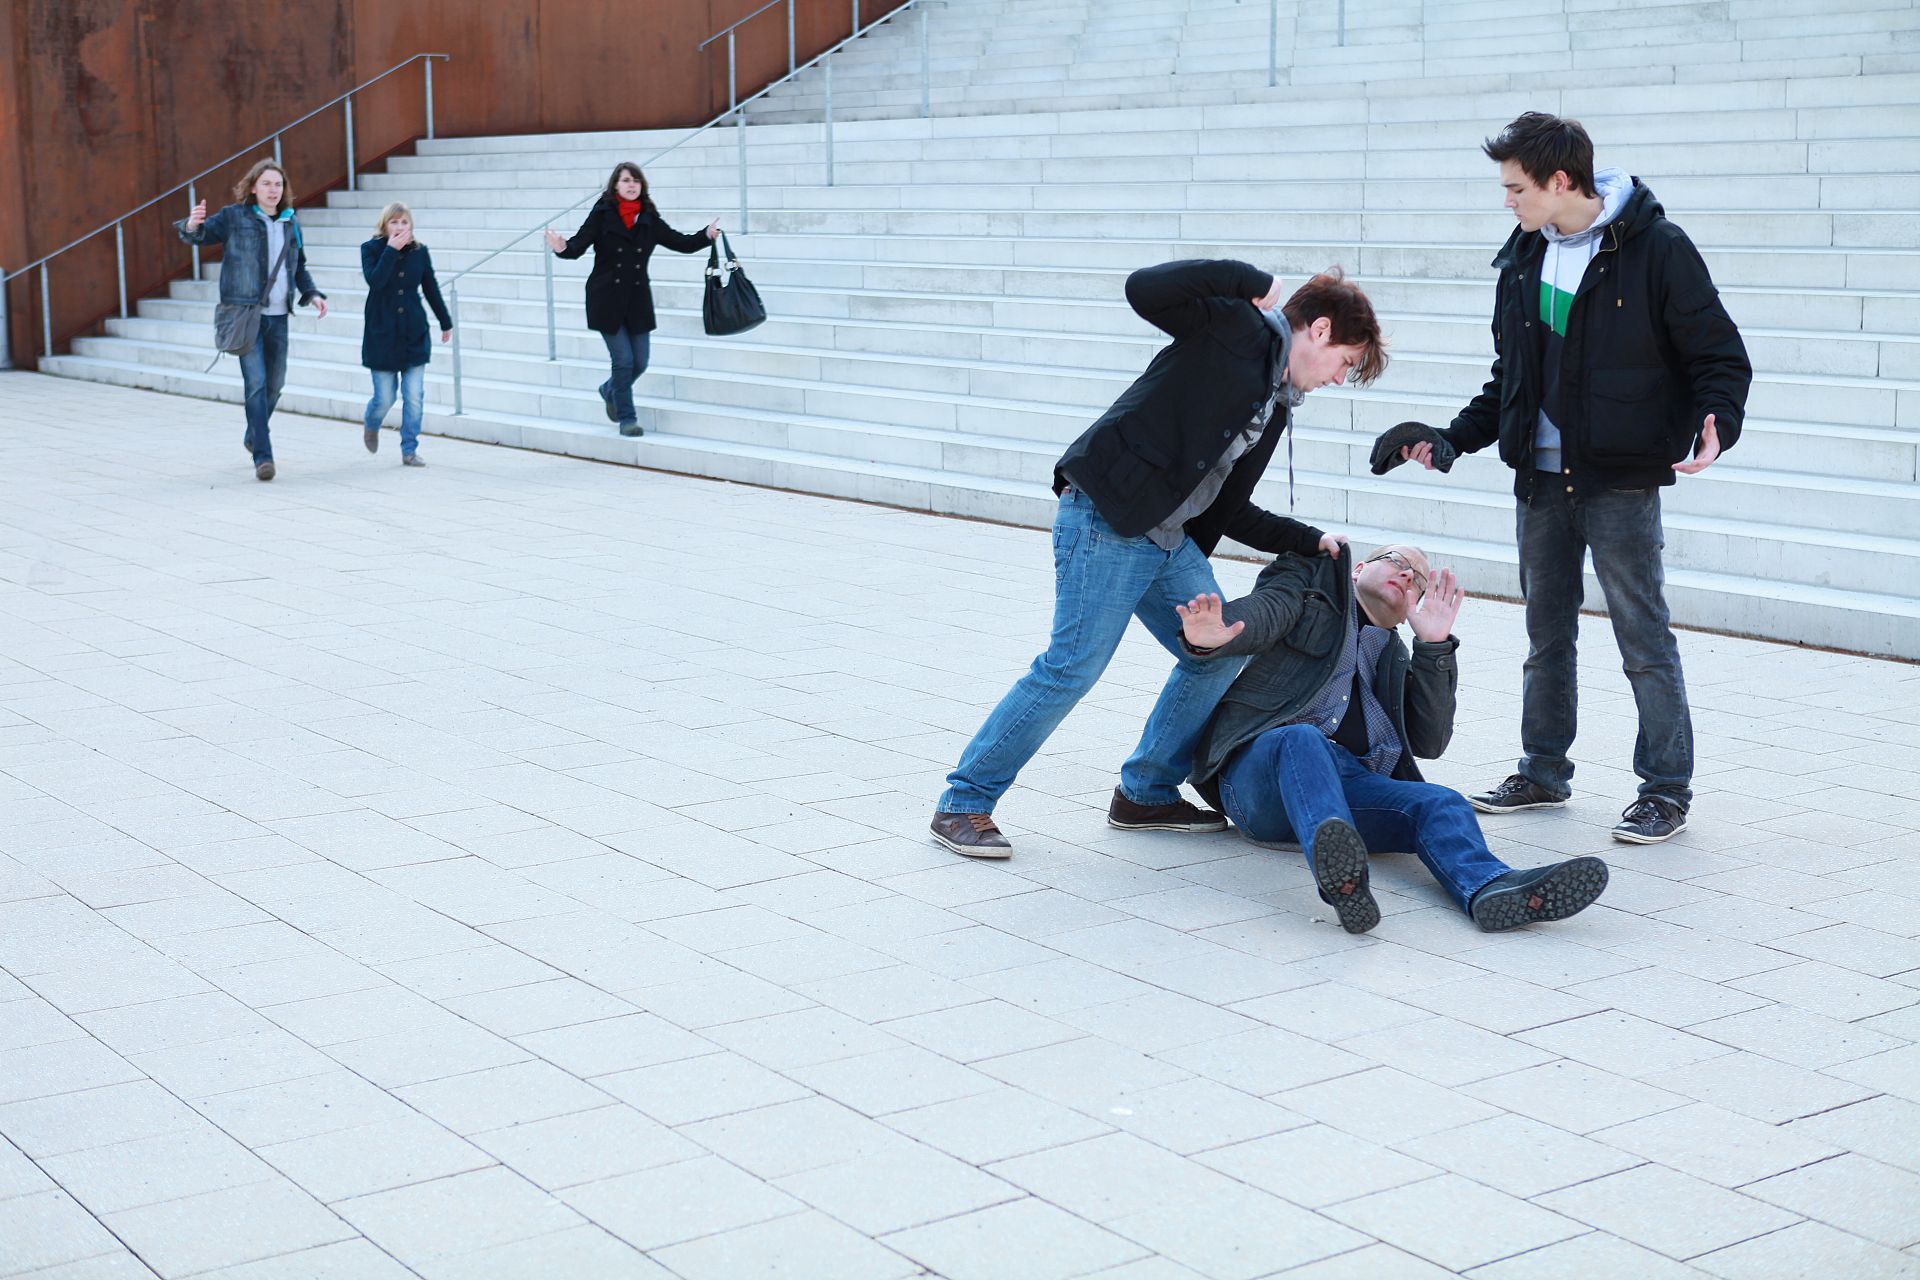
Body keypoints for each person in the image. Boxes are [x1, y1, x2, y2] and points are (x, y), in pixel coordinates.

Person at [930, 261, 1389, 859]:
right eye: (1346, 363)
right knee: (1071, 667)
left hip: (1166, 541)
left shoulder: (1274, 405)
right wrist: (1249, 280)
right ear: (1321, 331)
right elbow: (1143, 289)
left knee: (1218, 648)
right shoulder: (1237, 330)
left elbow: (1229, 507)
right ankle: (964, 802)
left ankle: (1144, 792)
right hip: (1107, 518)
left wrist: (1306, 539)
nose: (1337, 378)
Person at [1380, 113, 1751, 845]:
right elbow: (1508, 379)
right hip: (1541, 484)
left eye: (1516, 187)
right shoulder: (1523, 258)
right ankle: (1544, 770)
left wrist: (1719, 421)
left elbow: (1719, 354)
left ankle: (1665, 789)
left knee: (1643, 636)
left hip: (1619, 482)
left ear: (1560, 181)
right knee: (1545, 635)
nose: (1508, 201)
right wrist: (1450, 440)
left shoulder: (1655, 249)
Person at [1176, 542, 1610, 934]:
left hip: (1350, 786)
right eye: (1398, 563)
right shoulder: (1310, 606)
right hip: (1262, 779)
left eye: (1417, 580)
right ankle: (1341, 870)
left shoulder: (1398, 658)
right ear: (1357, 569)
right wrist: (1216, 634)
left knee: (1442, 801)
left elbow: (1431, 741)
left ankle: (1490, 889)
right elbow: (1265, 612)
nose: (1407, 575)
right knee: (1301, 739)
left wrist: (1434, 646)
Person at [176, 159, 328, 481]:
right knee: (256, 384)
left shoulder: (290, 222)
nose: (273, 190)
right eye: (267, 184)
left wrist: (312, 294)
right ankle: (264, 456)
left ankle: (254, 434)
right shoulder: (235, 217)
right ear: (253, 187)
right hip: (247, 315)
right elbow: (200, 236)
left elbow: (298, 266)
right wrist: (192, 225)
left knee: (276, 384)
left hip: (279, 317)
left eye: (278, 184)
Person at [542, 163, 718, 437]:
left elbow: (679, 242)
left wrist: (705, 235)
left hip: (637, 299)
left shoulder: (648, 216)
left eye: (636, 180)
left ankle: (609, 389)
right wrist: (562, 247)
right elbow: (578, 245)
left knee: (641, 362)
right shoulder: (602, 213)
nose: (631, 184)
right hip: (606, 298)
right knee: (623, 360)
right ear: (615, 186)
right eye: (625, 180)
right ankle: (627, 418)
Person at [360, 202, 452, 467]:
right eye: (394, 222)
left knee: (414, 394)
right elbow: (375, 282)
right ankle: (371, 422)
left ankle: (409, 449)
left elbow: (431, 287)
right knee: (384, 397)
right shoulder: (371, 249)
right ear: (384, 225)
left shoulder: (420, 252)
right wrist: (390, 250)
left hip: (413, 332)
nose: (399, 227)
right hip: (382, 334)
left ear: (410, 225)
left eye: (404, 222)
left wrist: (445, 321)